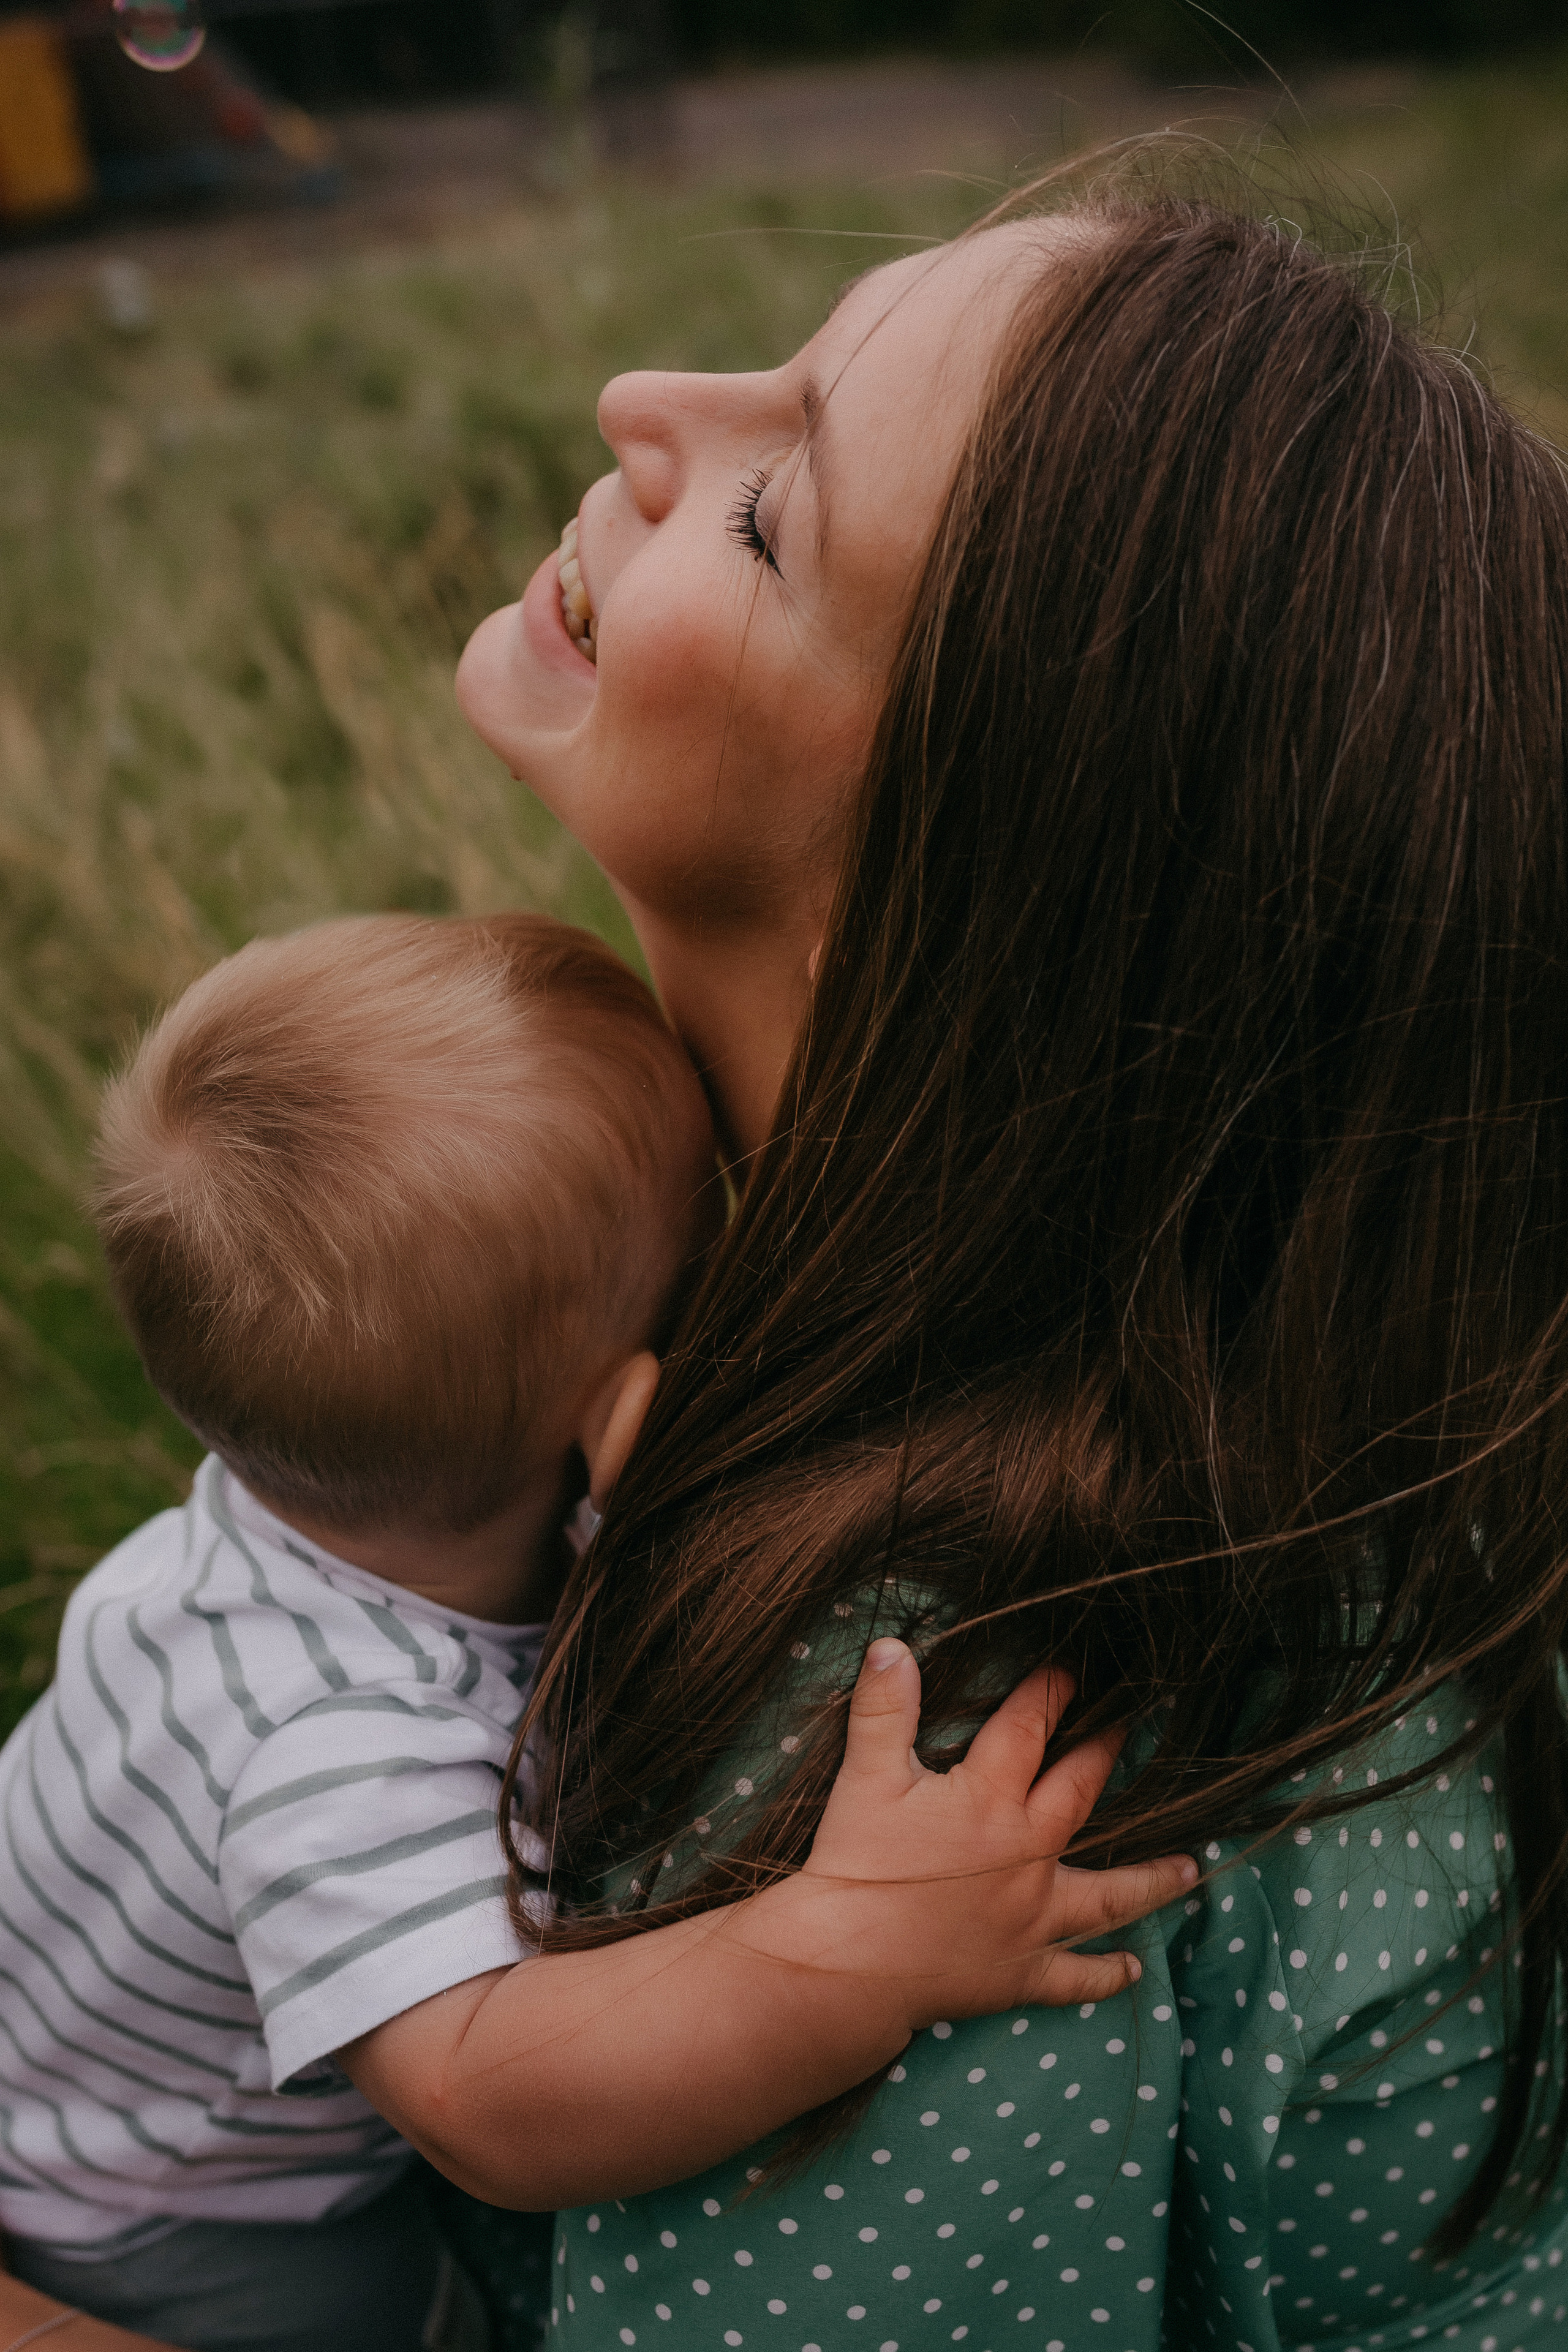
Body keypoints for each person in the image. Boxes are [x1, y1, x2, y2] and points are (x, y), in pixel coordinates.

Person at [448, 174, 1568, 2343]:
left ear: (946, 932)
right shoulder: (1260, 1434)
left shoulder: (904, 1746)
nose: (639, 404)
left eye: (776, 518)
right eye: (780, 367)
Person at [0, 910, 1190, 2352]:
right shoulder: (336, 1750)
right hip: (170, 2216)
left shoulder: (284, 1517)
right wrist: (861, 1946)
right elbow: (490, 2105)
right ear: (630, 1412)